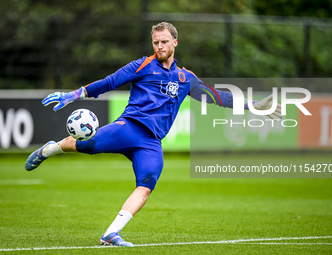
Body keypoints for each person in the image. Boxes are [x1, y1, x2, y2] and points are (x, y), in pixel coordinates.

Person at [25, 22, 282, 247]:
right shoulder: (143, 65)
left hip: (151, 142)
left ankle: (111, 233)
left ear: (175, 43)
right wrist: (74, 95)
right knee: (88, 146)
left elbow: (217, 97)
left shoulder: (186, 78)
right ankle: (50, 149)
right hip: (129, 127)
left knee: (146, 184)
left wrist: (253, 106)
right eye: (155, 42)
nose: (159, 46)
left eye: (164, 42)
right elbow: (109, 82)